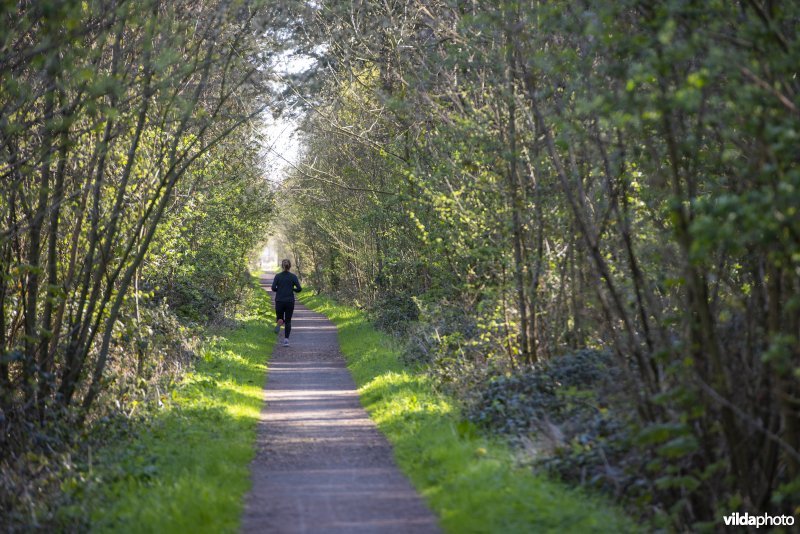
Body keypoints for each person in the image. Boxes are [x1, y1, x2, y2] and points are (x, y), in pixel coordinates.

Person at [271, 259, 302, 346]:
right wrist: (292, 289)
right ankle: (286, 340)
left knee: (280, 318)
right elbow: (299, 289)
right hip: (289, 301)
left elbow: (273, 288)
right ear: (290, 266)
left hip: (279, 301)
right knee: (288, 321)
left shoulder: (278, 276)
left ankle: (280, 321)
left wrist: (279, 289)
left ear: (282, 266)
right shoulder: (293, 277)